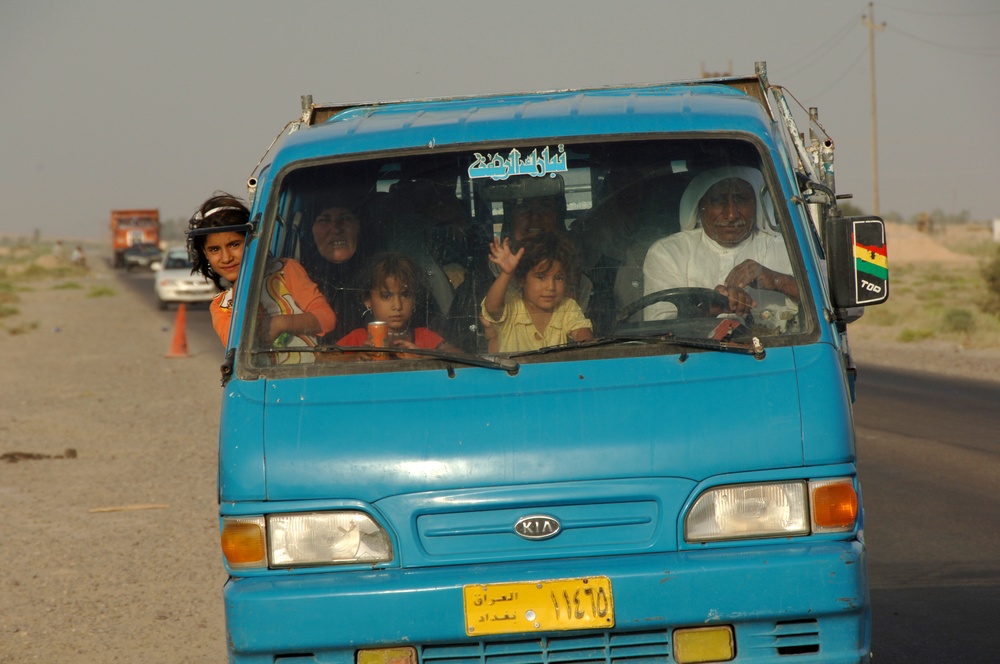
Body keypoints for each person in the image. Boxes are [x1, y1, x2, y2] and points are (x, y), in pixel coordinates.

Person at [641, 166, 799, 321]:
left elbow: (822, 304)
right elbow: (659, 329)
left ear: (756, 203)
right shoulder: (668, 253)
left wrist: (778, 281)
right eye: (718, 200)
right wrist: (708, 309)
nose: (731, 215)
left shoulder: (786, 248)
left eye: (741, 199)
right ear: (700, 205)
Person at [188, 193, 336, 354]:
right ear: (205, 253)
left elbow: (326, 319)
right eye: (214, 249)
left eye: (234, 244)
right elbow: (237, 347)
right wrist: (241, 286)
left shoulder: (285, 271)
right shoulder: (222, 306)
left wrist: (279, 323)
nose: (226, 258)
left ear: (253, 241)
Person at [481, 232, 594, 353]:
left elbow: (583, 334)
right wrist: (506, 273)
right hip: (513, 372)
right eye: (541, 277)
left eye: (558, 278)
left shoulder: (566, 307)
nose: (551, 287)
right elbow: (492, 308)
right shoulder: (512, 306)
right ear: (521, 280)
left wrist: (587, 347)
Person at [336, 252, 459, 359]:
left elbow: (461, 357)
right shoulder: (358, 339)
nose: (397, 306)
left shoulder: (423, 337)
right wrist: (355, 357)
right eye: (386, 296)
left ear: (414, 298)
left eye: (405, 295)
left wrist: (422, 356)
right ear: (367, 300)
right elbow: (323, 361)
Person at [301, 197, 373, 341]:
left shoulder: (385, 274)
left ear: (360, 227)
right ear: (311, 230)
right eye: (324, 220)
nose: (336, 229)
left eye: (345, 219)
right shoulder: (294, 278)